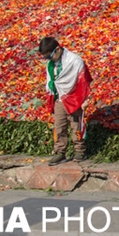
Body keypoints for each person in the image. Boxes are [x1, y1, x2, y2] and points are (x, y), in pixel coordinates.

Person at [39, 37, 92, 165]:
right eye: (46, 58)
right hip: (59, 98)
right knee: (59, 126)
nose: (49, 59)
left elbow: (83, 81)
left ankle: (80, 150)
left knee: (76, 125)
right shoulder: (51, 64)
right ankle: (60, 152)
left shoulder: (74, 61)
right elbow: (51, 81)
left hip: (74, 98)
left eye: (49, 56)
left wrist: (85, 99)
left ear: (57, 49)